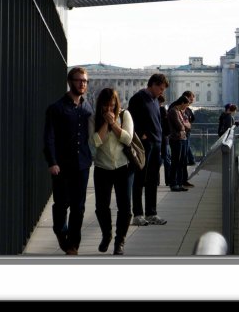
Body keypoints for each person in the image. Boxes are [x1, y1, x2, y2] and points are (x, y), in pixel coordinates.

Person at [43, 67, 94, 255]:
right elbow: (49, 138)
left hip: (82, 164)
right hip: (62, 165)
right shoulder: (56, 108)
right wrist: (52, 162)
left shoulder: (87, 107)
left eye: (85, 81)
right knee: (62, 203)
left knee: (79, 207)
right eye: (79, 80)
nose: (83, 84)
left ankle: (73, 244)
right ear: (70, 81)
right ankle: (60, 230)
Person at [89, 87, 134, 255]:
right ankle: (106, 234)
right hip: (102, 167)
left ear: (116, 104)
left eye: (112, 106)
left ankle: (119, 240)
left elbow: (127, 139)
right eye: (105, 106)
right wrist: (106, 124)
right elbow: (94, 143)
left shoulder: (124, 115)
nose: (108, 109)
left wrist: (114, 123)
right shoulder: (94, 119)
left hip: (123, 166)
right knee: (101, 206)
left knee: (125, 206)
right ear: (100, 105)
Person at [128, 73, 169, 226]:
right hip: (144, 145)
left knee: (152, 180)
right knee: (139, 179)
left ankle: (151, 213)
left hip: (156, 143)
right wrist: (141, 135)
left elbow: (158, 121)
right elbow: (130, 120)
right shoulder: (138, 98)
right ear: (152, 84)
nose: (162, 91)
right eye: (160, 88)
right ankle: (137, 214)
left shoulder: (155, 100)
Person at [167, 94, 192, 192]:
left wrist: (185, 125)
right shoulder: (173, 111)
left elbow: (188, 124)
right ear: (182, 103)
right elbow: (180, 126)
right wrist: (184, 125)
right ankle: (174, 183)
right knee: (175, 162)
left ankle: (179, 183)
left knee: (181, 162)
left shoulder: (179, 111)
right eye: (186, 105)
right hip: (176, 139)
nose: (186, 107)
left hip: (182, 138)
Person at [159, 94, 172, 187]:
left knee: (156, 160)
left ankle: (156, 181)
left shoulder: (157, 110)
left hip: (158, 138)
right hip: (164, 138)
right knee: (166, 159)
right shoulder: (163, 110)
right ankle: (168, 180)